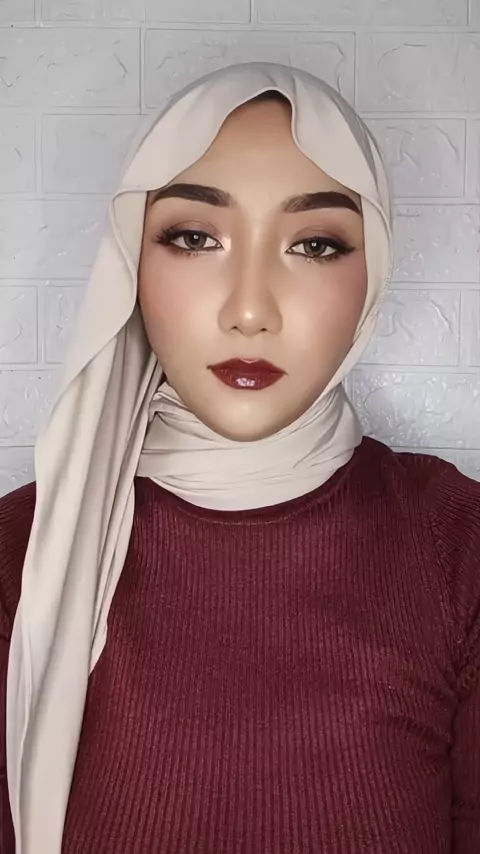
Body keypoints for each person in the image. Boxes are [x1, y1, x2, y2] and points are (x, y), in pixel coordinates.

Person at [0, 61, 479, 854]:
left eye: (315, 244)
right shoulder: (21, 557)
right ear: (131, 262)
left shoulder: (459, 550)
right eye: (195, 238)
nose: (250, 310)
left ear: (375, 272)